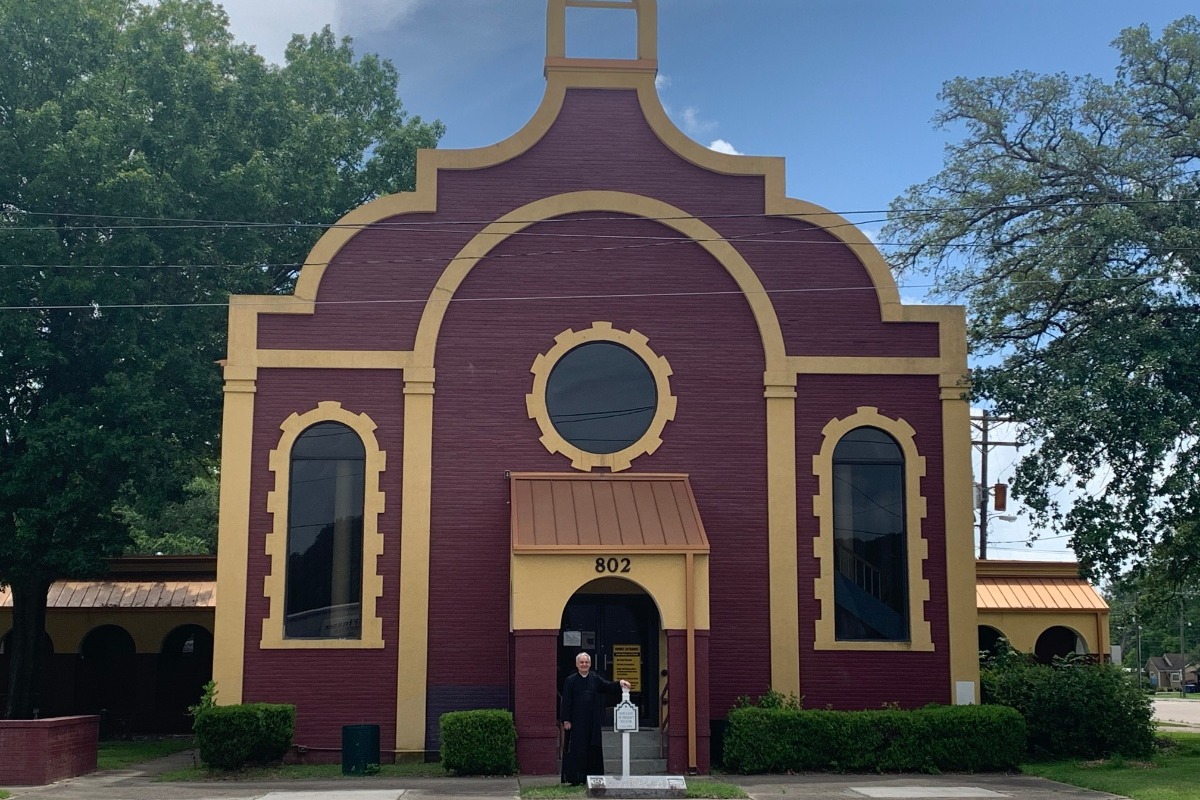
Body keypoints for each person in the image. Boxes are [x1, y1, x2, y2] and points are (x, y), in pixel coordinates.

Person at [559, 651, 631, 785]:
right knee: (577, 748)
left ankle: (593, 777)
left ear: (590, 664)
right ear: (577, 664)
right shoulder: (570, 680)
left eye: (586, 662)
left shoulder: (595, 678)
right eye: (581, 662)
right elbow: (566, 701)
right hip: (576, 722)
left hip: (592, 721)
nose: (584, 664)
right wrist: (566, 720)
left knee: (593, 748)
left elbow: (607, 686)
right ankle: (576, 778)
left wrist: (620, 683)